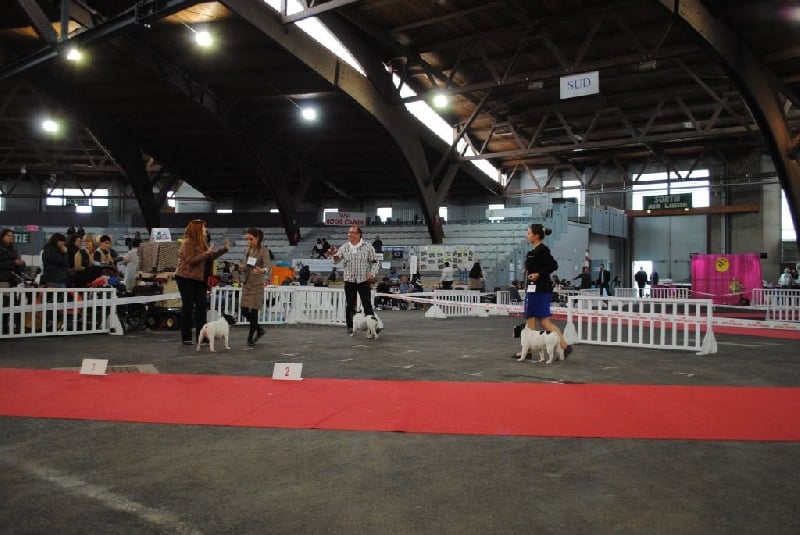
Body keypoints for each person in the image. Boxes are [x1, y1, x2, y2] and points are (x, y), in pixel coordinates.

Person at [513, 223, 571, 359]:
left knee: (540, 321)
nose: (526, 236)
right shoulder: (533, 252)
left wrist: (538, 274)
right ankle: (529, 350)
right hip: (534, 290)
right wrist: (528, 270)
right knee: (535, 321)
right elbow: (537, 265)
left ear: (536, 235)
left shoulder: (543, 250)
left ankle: (563, 346)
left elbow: (553, 265)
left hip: (539, 290)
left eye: (529, 233)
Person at [175, 219, 230, 346]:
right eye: (204, 227)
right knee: (188, 306)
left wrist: (224, 249)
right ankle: (186, 337)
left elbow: (209, 257)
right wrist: (207, 253)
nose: (206, 229)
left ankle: (203, 337)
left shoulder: (201, 243)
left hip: (200, 279)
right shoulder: (187, 243)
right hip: (186, 278)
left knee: (201, 307)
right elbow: (191, 261)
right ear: (197, 229)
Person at [331, 225, 380, 335]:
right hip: (349, 280)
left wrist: (372, 274)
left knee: (367, 303)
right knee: (350, 304)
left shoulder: (368, 247)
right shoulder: (344, 247)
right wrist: (334, 256)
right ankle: (350, 326)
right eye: (349, 233)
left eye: (352, 233)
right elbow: (335, 261)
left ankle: (372, 326)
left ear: (359, 235)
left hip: (363, 280)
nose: (350, 235)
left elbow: (376, 262)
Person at [239, 228, 270, 346]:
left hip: (257, 285)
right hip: (247, 283)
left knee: (254, 311)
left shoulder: (264, 251)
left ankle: (250, 337)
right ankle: (259, 329)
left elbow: (267, 266)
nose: (249, 241)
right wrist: (242, 267)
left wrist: (262, 270)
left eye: (251, 239)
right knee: (244, 311)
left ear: (257, 238)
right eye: (247, 239)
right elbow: (246, 265)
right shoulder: (247, 250)